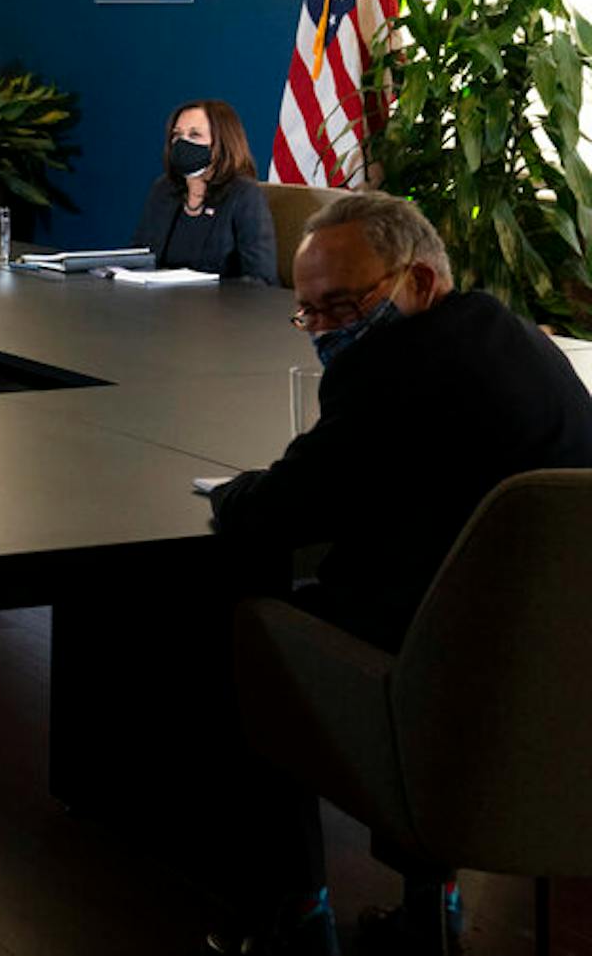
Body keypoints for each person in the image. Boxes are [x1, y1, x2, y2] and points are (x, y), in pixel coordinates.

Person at [204, 193, 592, 955]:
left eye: (344, 304)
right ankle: (429, 898)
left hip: (443, 684)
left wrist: (232, 489)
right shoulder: (508, 335)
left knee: (251, 619)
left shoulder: (391, 371)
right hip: (560, 676)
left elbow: (275, 511)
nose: (327, 330)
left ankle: (291, 911)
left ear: (418, 281)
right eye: (309, 313)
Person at [132, 99, 276, 283]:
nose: (182, 144)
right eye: (177, 135)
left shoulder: (244, 194)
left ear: (222, 142)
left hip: (221, 308)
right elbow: (140, 258)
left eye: (195, 135)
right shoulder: (164, 189)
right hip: (161, 305)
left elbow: (261, 279)